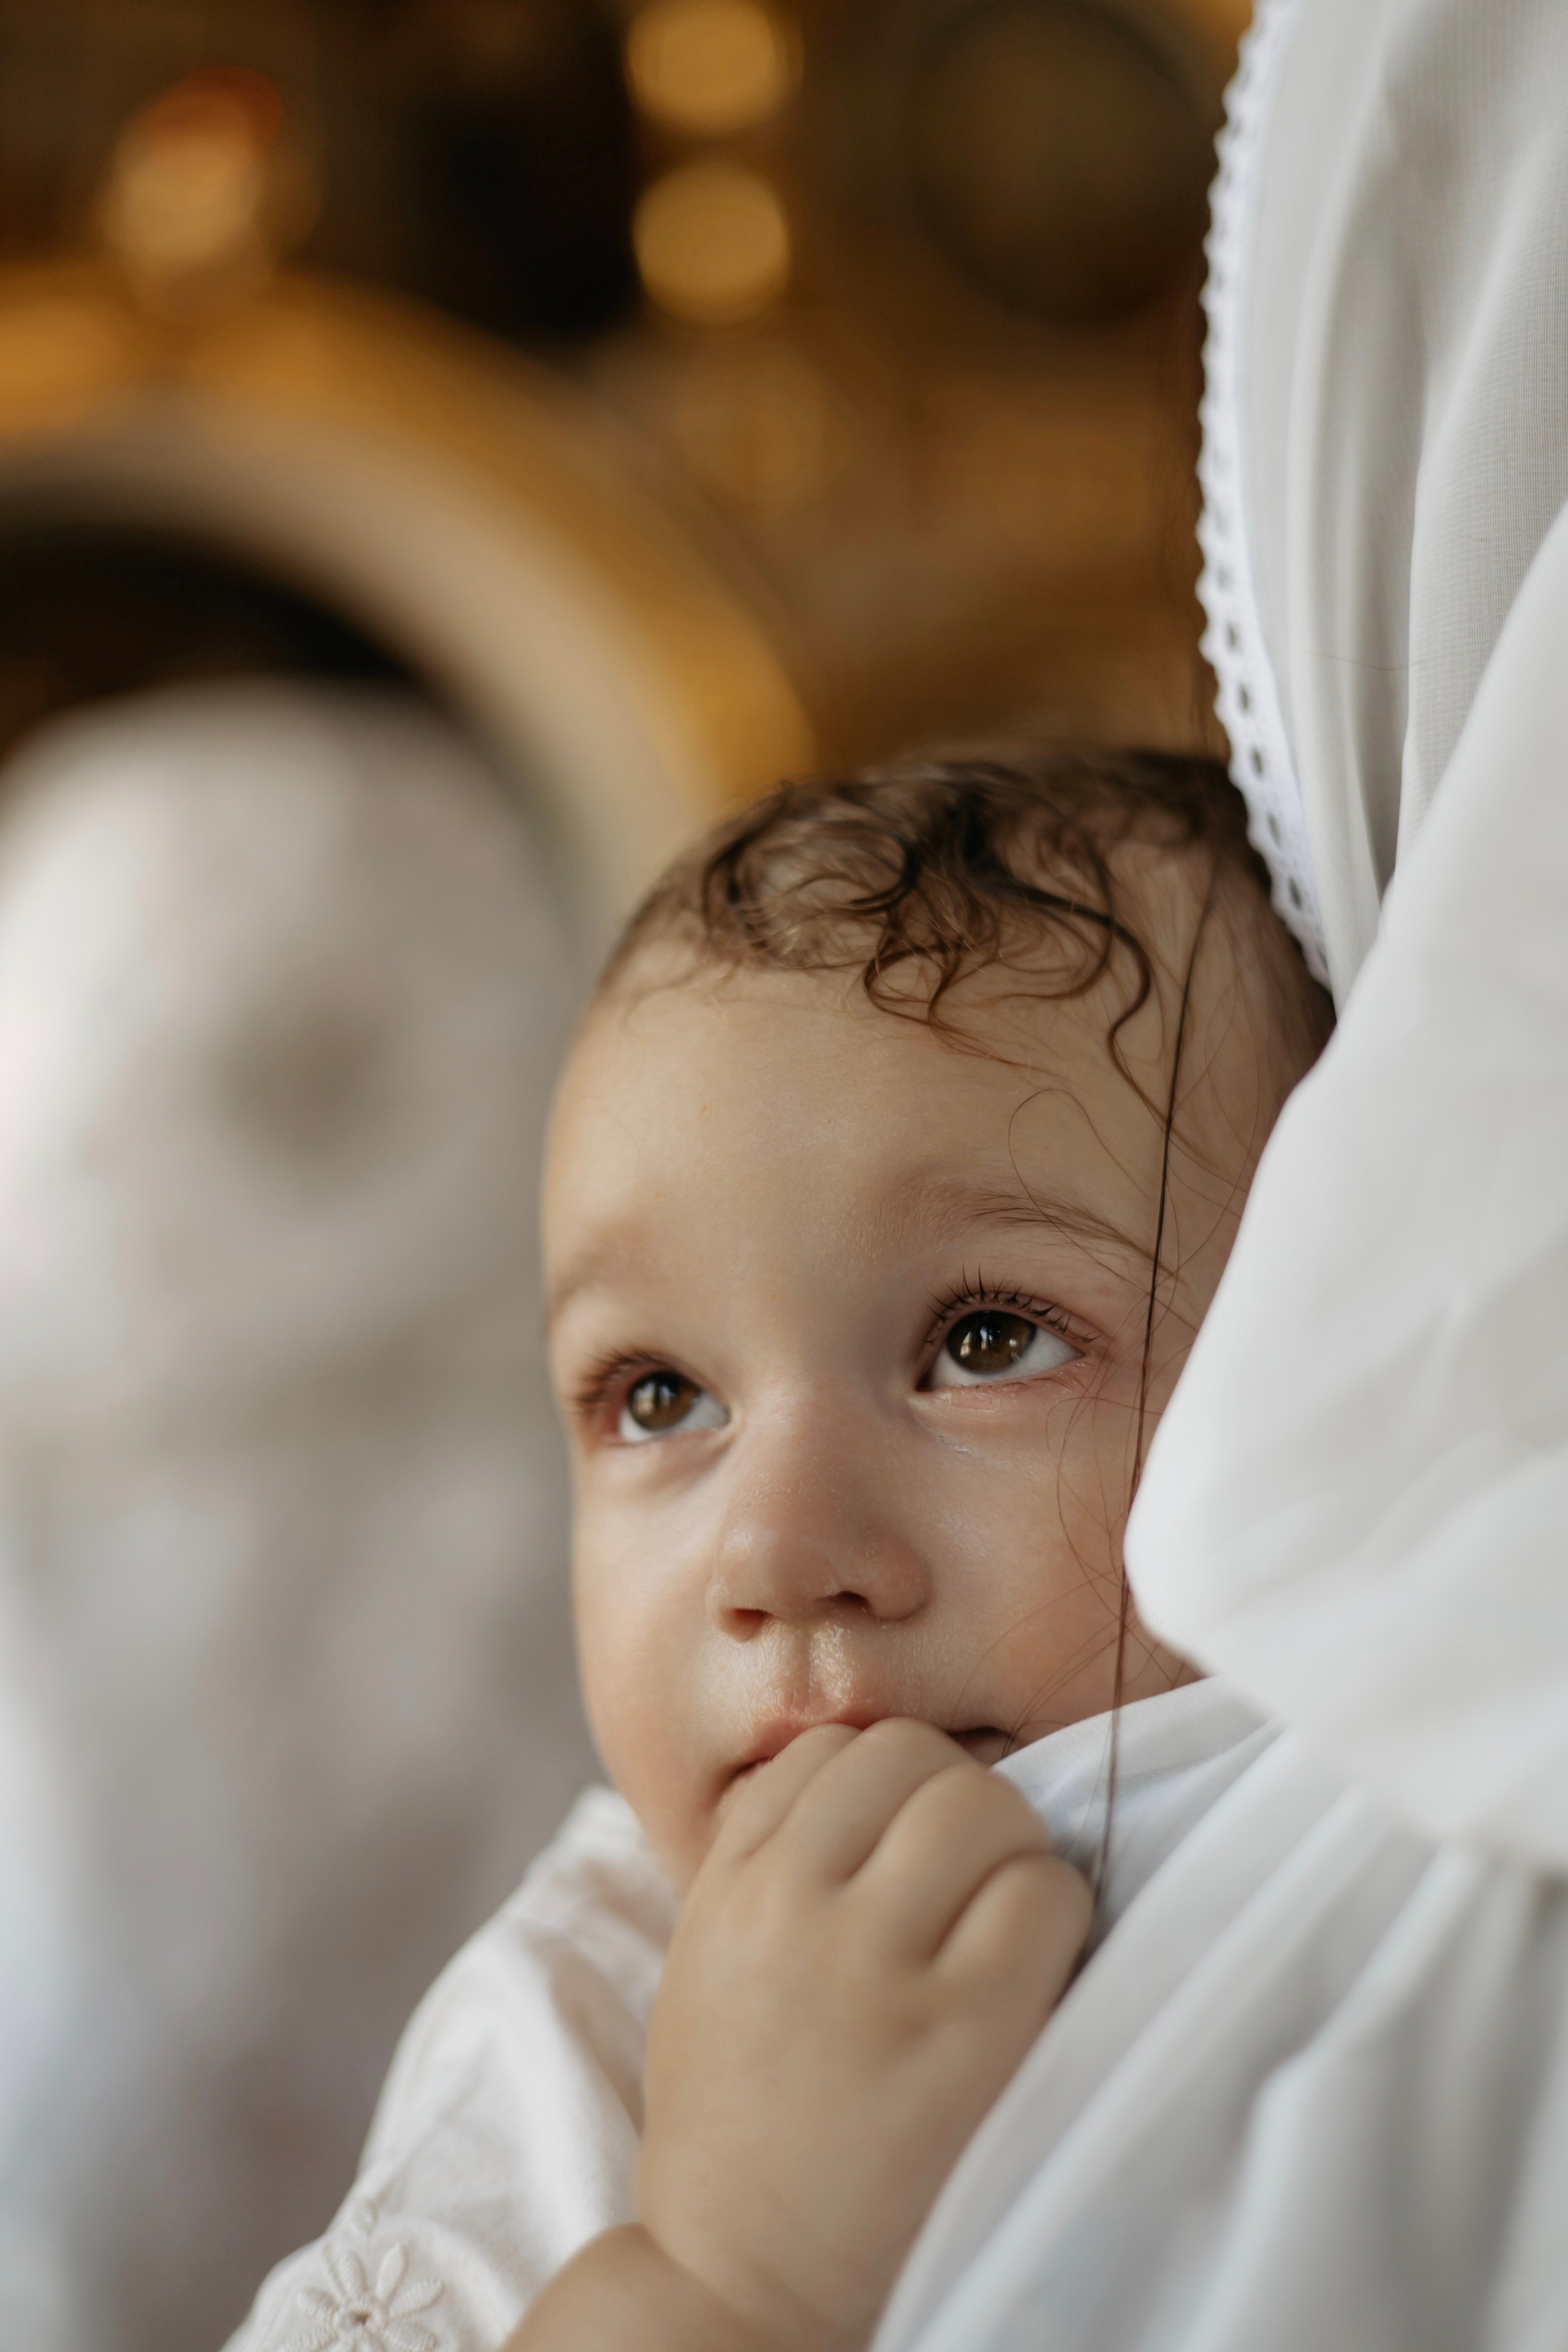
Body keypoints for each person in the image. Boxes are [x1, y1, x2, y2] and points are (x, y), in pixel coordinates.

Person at [227, 747, 1330, 2352]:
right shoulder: (584, 2032)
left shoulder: (1397, 1841)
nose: (779, 1552)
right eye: (660, 1394)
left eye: (990, 1339)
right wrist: (731, 2281)